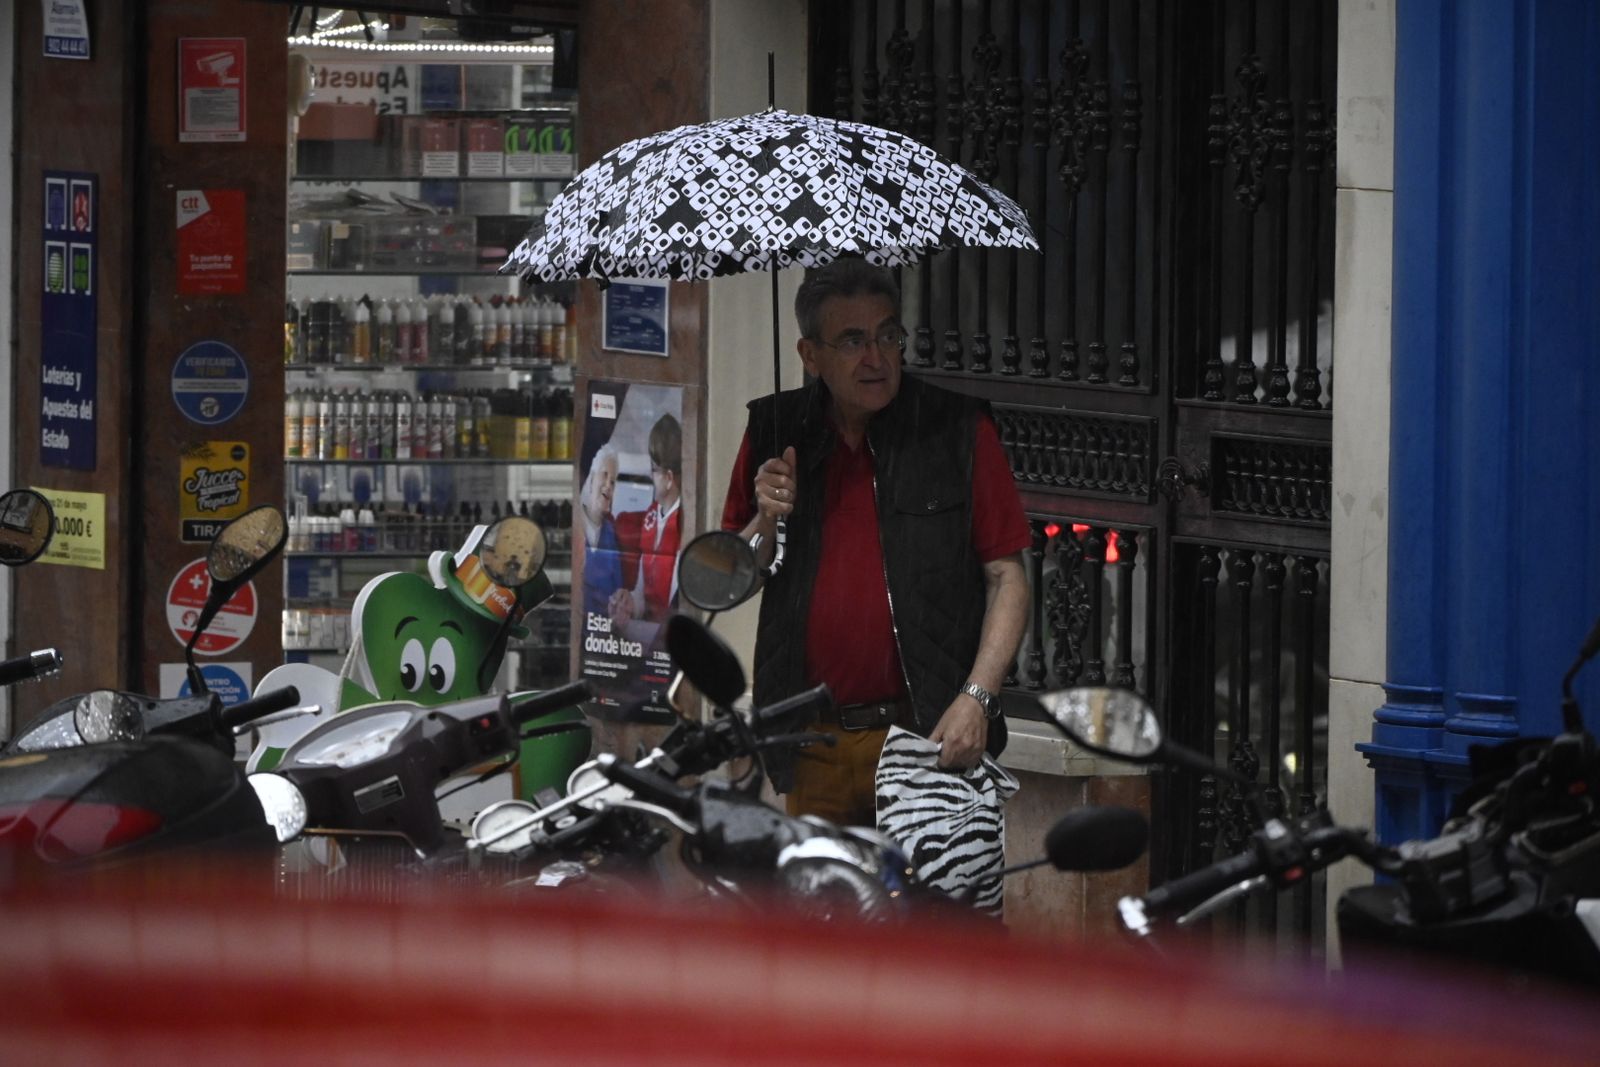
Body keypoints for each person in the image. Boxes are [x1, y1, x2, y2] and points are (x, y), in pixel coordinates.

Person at [720, 256, 1031, 828]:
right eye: (853, 341)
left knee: (932, 917)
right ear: (809, 355)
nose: (876, 358)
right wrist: (765, 517)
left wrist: (978, 698)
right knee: (829, 912)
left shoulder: (957, 431)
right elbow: (734, 578)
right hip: (815, 740)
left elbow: (1007, 576)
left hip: (930, 738)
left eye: (888, 335)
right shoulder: (773, 430)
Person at [610, 413, 683, 626]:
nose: (650, 476)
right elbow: (642, 593)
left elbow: (675, 605)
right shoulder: (652, 516)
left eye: (653, 469)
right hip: (646, 632)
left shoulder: (683, 523)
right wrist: (629, 602)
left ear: (668, 478)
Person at [579, 442, 622, 617]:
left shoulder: (611, 533)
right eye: (604, 475)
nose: (608, 485)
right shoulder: (575, 523)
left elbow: (618, 590)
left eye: (613, 481)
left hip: (603, 630)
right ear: (590, 478)